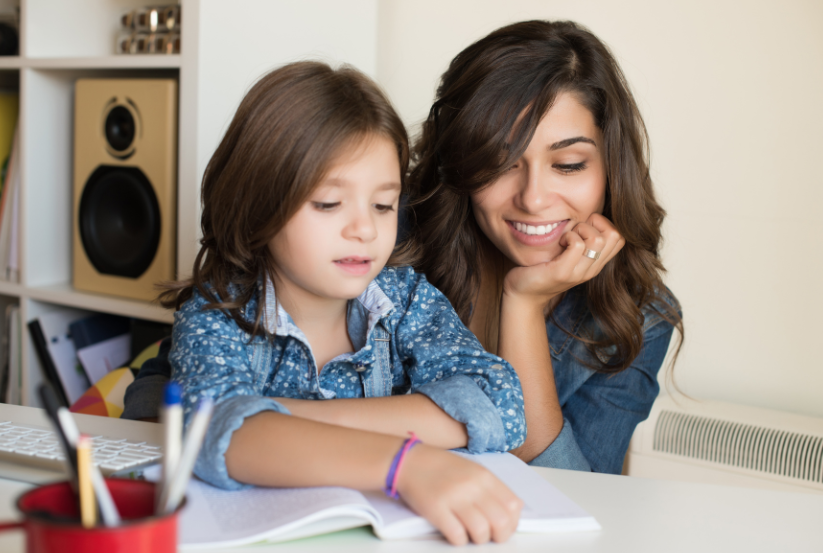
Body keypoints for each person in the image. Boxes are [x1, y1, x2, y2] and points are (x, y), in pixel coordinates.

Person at [160, 61, 526, 546]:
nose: (366, 230)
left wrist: (278, 417)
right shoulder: (216, 314)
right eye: (329, 204)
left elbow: (499, 403)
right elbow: (216, 432)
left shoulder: (405, 297)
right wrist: (407, 460)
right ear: (259, 203)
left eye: (382, 205)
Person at [400, 20, 684, 474]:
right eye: (499, 162)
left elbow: (574, 493)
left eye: (568, 165)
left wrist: (523, 303)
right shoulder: (387, 245)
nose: (532, 199)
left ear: (611, 167)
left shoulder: (640, 316)